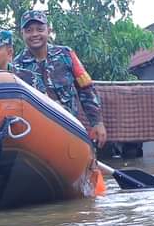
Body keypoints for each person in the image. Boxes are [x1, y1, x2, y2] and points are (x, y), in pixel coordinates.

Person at [14, 9, 107, 147]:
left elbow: (86, 89)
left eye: (39, 29)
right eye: (29, 30)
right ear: (22, 34)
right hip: (35, 137)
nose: (34, 34)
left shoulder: (66, 54)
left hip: (69, 129)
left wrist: (97, 122)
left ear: (49, 30)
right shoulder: (16, 67)